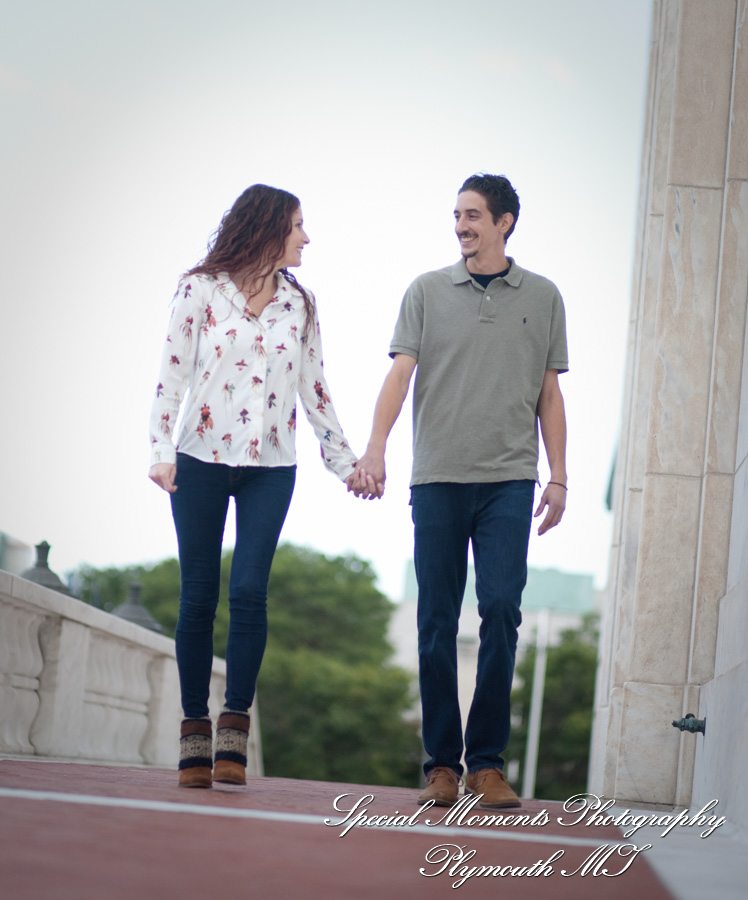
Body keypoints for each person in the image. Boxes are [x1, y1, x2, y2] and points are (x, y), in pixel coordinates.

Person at [353, 173, 568, 809]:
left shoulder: (545, 297)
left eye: (473, 214)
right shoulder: (426, 291)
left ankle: (489, 764)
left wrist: (558, 476)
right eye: (456, 215)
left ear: (504, 222)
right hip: (438, 477)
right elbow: (399, 376)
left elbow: (550, 394)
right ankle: (442, 765)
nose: (461, 225)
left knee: (501, 611)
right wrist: (375, 448)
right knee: (435, 622)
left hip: (508, 480)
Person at [149, 184, 367, 788]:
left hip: (272, 464)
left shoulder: (301, 305)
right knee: (198, 596)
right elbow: (172, 374)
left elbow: (314, 387)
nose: (306, 236)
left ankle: (232, 733)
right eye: (298, 225)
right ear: (269, 227)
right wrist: (160, 451)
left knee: (249, 592)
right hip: (199, 458)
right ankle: (194, 728)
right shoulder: (200, 290)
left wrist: (346, 464)